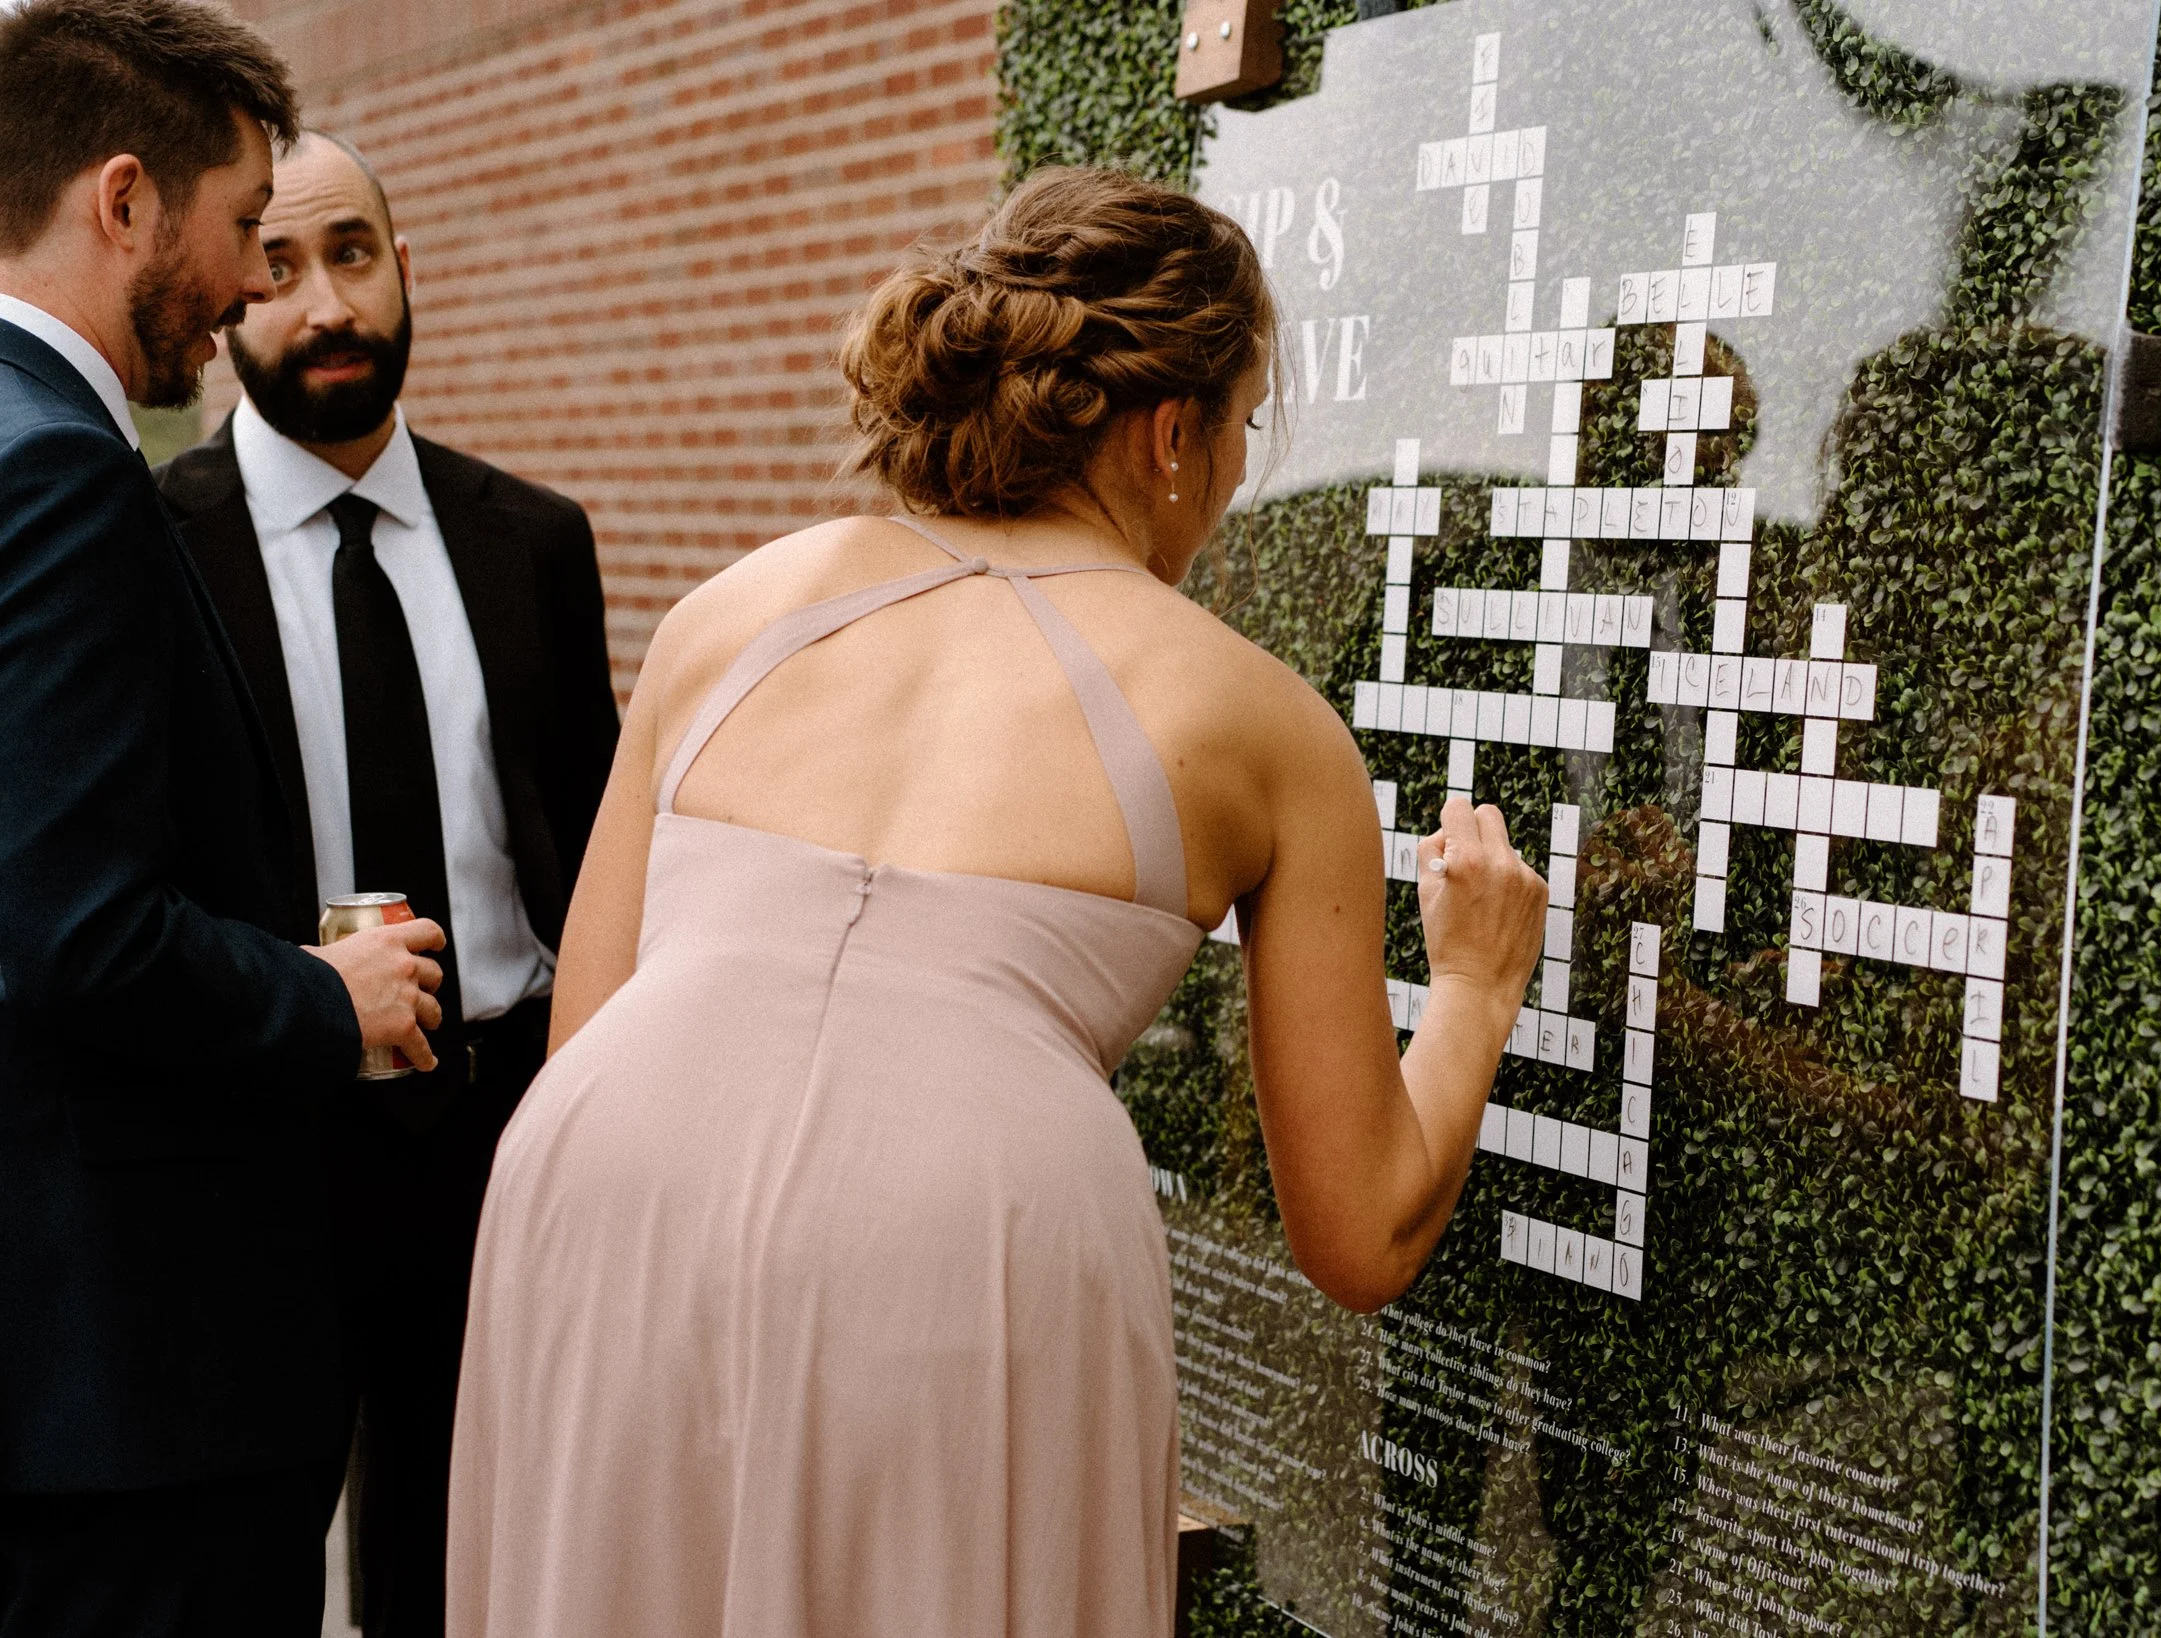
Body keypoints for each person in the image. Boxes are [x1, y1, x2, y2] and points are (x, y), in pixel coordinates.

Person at [445, 166, 1550, 1637]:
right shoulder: (1262, 725)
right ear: (1173, 434)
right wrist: (1473, 987)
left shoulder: (725, 613)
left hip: (602, 1188)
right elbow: (1358, 1231)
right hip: (960, 1240)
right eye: (1240, 435)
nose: (1232, 481)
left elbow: (589, 1025)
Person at [0, 2, 445, 1633]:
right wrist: (322, 996)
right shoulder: (58, 470)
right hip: (127, 1396)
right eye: (245, 227)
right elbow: (73, 930)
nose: (262, 284)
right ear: (123, 200)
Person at [156, 130, 619, 1638]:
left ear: (405, 266)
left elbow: (603, 844)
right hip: (265, 1126)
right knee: (250, 1559)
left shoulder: (537, 541)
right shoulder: (158, 546)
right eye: (276, 268)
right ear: (226, 298)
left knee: (480, 1553)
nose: (324, 306)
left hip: (502, 1124)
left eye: (351, 254)